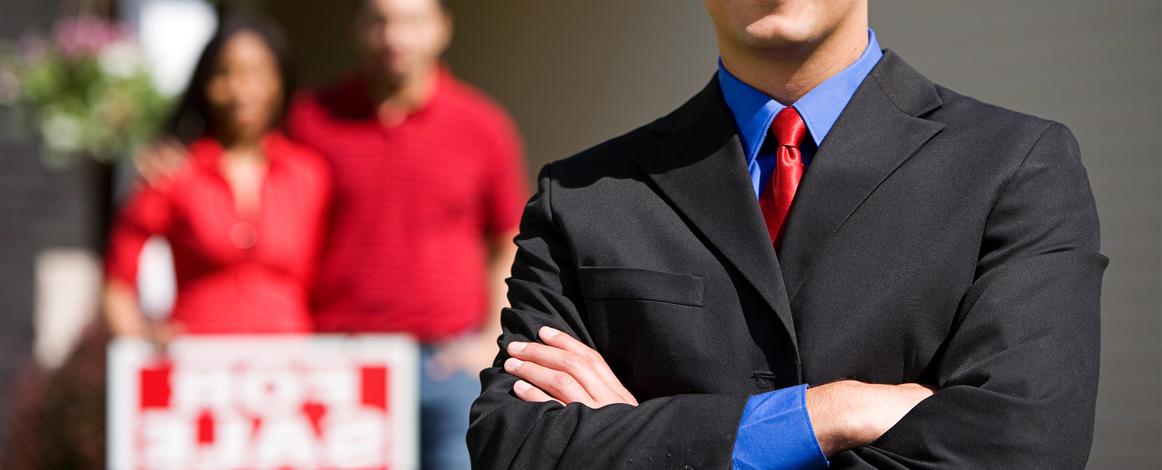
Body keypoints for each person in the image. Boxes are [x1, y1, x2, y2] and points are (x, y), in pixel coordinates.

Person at [467, 0, 1106, 468]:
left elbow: (1023, 448)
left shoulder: (1017, 166)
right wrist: (826, 415)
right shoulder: (584, 196)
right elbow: (515, 446)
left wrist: (657, 440)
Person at [283, 0, 528, 467]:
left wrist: (488, 339)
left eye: (412, 22)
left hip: (446, 365)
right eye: (380, 21)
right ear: (358, 27)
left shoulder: (483, 126)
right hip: (339, 363)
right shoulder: (311, 120)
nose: (395, 37)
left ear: (442, 29)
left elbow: (508, 242)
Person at [104, 14, 330, 339]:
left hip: (286, 367)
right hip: (199, 368)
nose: (240, 90)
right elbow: (119, 279)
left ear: (280, 80)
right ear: (206, 84)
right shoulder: (177, 173)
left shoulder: (309, 175)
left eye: (256, 74)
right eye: (225, 74)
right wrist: (139, 338)